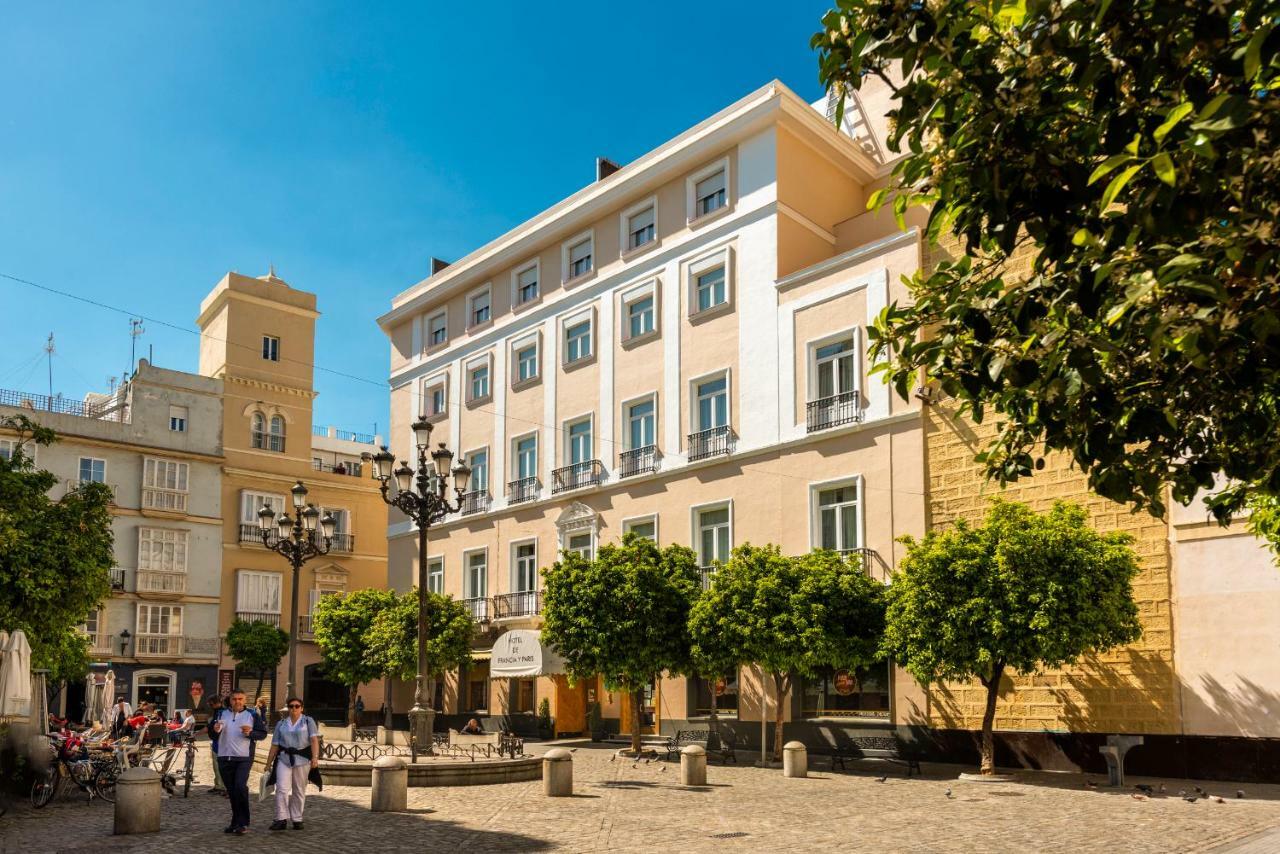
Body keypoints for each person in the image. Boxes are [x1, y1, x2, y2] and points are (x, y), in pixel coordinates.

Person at [212, 690, 267, 834]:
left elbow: (262, 734)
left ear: (245, 699)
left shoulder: (253, 715)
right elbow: (212, 733)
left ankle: (242, 823)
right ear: (230, 700)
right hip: (224, 757)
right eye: (234, 699)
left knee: (240, 786)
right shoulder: (221, 714)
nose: (237, 701)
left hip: (243, 757)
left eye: (240, 699)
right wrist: (215, 729)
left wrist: (250, 733)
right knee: (232, 791)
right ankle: (235, 821)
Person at [264, 697, 319, 831]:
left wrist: (315, 758)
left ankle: (297, 818)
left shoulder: (308, 721)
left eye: (297, 706)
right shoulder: (281, 723)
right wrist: (268, 763)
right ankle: (281, 818)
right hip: (284, 758)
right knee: (282, 789)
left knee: (299, 789)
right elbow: (275, 745)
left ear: (302, 708)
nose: (294, 709)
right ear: (288, 708)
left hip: (302, 759)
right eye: (291, 706)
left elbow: (314, 740)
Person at [206, 695, 226, 796]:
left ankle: (222, 787)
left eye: (211, 704)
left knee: (220, 766)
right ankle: (218, 785)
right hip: (216, 742)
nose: (211, 706)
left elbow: (217, 728)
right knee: (216, 766)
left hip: (221, 744)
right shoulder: (216, 712)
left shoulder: (222, 713)